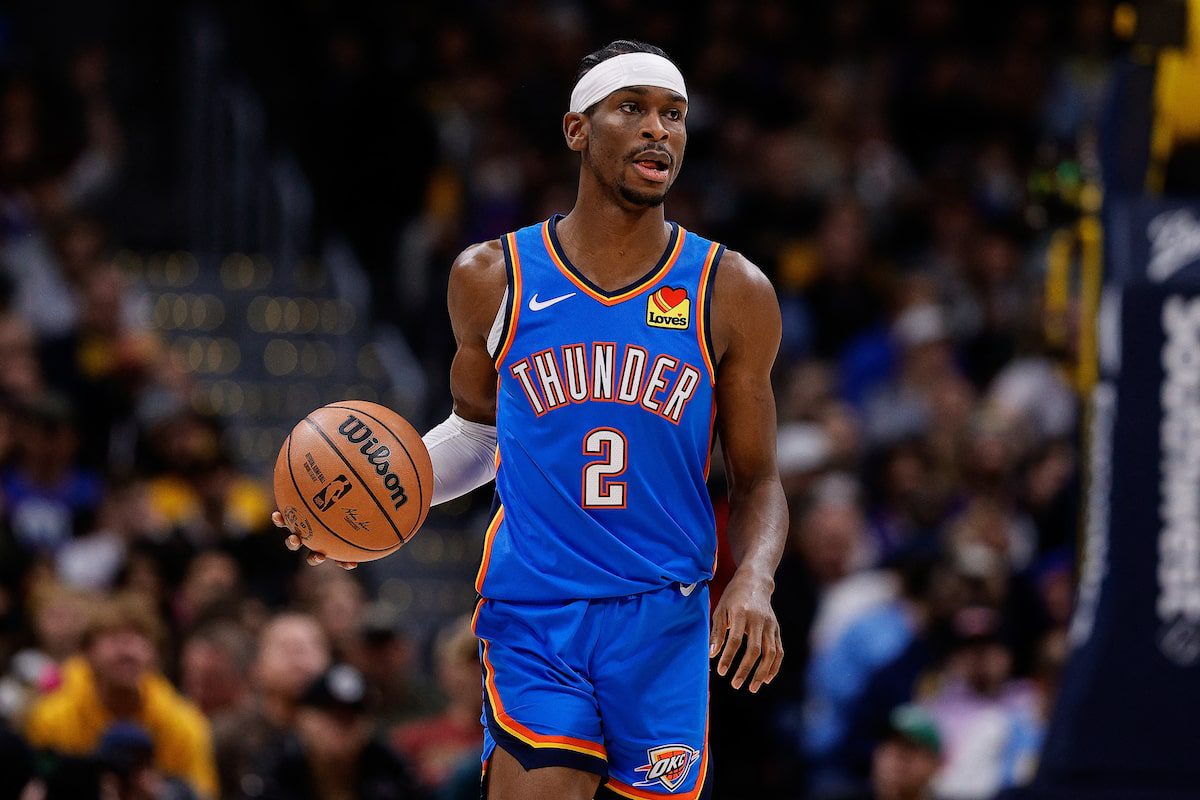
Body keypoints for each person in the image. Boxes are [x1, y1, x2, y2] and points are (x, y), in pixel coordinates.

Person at [277, 39, 787, 800]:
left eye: (673, 115)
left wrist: (754, 578)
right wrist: (381, 498)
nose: (659, 130)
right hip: (537, 609)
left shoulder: (730, 289)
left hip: (664, 619)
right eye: (633, 109)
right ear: (578, 130)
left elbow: (758, 479)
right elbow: (481, 436)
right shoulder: (492, 277)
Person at [23, 592, 218, 798]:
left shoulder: (184, 723)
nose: (127, 651)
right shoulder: (52, 718)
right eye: (114, 638)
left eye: (139, 638)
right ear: (87, 652)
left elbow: (204, 793)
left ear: (156, 655)